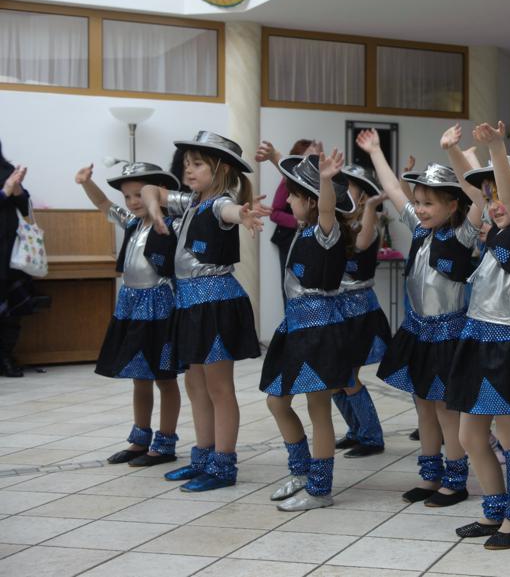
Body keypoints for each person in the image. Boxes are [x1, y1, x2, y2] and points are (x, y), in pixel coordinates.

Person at [440, 120, 510, 549]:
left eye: (501, 195)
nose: (495, 203)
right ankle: (494, 509)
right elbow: (475, 190)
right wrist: (454, 151)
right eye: (491, 198)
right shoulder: (493, 233)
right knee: (469, 436)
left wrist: (498, 150)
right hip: (476, 339)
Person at [359, 128, 479, 507]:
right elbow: (394, 191)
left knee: (446, 410)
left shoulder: (463, 235)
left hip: (448, 334)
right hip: (418, 331)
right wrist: (375, 152)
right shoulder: (419, 231)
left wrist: (457, 153)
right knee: (423, 405)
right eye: (419, 202)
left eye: (429, 203)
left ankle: (455, 480)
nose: (421, 209)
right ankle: (430, 476)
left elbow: (478, 195)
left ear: (453, 206)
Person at [142, 131, 269, 492]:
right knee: (194, 383)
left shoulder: (218, 204)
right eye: (187, 164)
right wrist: (156, 211)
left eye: (198, 164)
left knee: (218, 387)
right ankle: (203, 457)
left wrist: (242, 214)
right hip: (189, 304)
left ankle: (224, 465)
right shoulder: (192, 202)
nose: (189, 170)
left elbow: (229, 211)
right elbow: (152, 190)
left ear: (221, 169)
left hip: (215, 304)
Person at [256, 146, 358, 511]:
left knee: (319, 409)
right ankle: (301, 470)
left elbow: (326, 209)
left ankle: (320, 489)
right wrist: (275, 159)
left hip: (321, 331)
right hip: (296, 328)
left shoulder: (325, 230)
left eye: (294, 197)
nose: (288, 202)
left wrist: (326, 182)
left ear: (311, 202)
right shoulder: (303, 229)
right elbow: (301, 190)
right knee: (276, 400)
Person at [76, 161, 182, 466]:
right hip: (132, 306)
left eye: (139, 194)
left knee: (165, 378)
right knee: (139, 376)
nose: (133, 202)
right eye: (128, 196)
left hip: (160, 307)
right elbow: (102, 203)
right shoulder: (132, 223)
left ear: (159, 193)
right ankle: (140, 440)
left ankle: (165, 443)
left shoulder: (171, 225)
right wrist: (86, 183)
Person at [332, 163, 391, 459]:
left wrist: (369, 208)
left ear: (364, 195)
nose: (341, 191)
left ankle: (371, 436)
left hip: (359, 311)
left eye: (349, 187)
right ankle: (356, 430)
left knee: (347, 376)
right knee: (335, 378)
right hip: (337, 309)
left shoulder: (370, 223)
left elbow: (362, 242)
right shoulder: (336, 222)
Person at [269, 139, 315, 305]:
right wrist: (299, 222)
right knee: (289, 286)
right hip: (288, 239)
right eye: (309, 156)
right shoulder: (287, 182)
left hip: (308, 238)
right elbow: (274, 213)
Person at [0, 145, 30, 378]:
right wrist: (4, 193)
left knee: (10, 309)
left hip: (9, 250)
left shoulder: (6, 170)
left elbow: (24, 207)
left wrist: (17, 189)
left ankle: (5, 356)